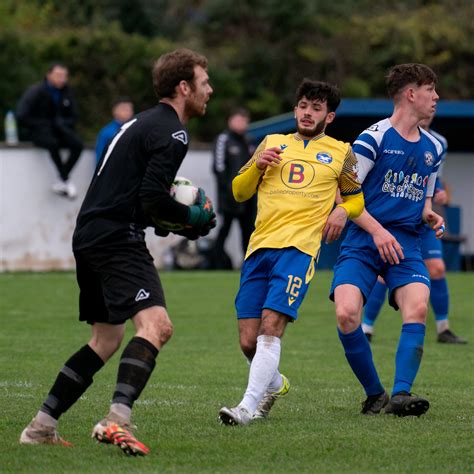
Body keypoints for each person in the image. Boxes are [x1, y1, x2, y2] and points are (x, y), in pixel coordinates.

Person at [19, 48, 215, 456]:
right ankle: (116, 419)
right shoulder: (174, 132)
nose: (209, 90)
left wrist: (171, 220)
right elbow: (151, 199)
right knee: (157, 326)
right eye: (204, 82)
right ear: (184, 87)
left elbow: (140, 199)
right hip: (115, 237)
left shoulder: (139, 122)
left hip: (89, 233)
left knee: (106, 338)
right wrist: (192, 217)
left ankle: (41, 427)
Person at [218, 79, 364, 426]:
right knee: (247, 342)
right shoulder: (271, 143)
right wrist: (257, 166)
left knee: (272, 326)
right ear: (295, 109)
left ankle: (246, 407)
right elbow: (238, 192)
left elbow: (356, 197)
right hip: (259, 247)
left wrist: (343, 211)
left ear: (328, 117)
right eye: (303, 106)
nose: (307, 113)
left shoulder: (342, 152)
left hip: (299, 251)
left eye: (316, 108)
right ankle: (276, 383)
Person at [330, 63, 445, 418]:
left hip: (406, 245)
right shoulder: (372, 139)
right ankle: (374, 393)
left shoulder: (433, 148)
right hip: (364, 241)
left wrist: (430, 215)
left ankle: (400, 394)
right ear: (411, 94)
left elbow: (424, 201)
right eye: (430, 90)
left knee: (418, 310)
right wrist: (378, 231)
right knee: (347, 314)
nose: (436, 97)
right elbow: (343, 196)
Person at [362, 117, 467, 345]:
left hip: (423, 215)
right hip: (398, 217)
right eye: (427, 96)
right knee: (383, 272)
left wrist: (441, 193)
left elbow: (432, 178)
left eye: (433, 100)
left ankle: (443, 328)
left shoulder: (439, 142)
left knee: (437, 269)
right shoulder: (387, 135)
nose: (431, 106)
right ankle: (366, 327)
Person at [16, 63, 84, 199]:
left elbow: (74, 116)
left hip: (59, 130)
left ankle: (61, 180)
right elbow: (21, 116)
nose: (62, 79)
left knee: (78, 144)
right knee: (52, 143)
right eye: (59, 75)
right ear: (49, 75)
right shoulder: (36, 91)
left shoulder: (67, 92)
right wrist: (44, 124)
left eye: (65, 76)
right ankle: (65, 179)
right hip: (38, 131)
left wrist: (63, 123)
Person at [212, 108, 256, 267]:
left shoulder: (249, 141)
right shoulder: (223, 139)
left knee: (248, 231)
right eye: (237, 120)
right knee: (225, 230)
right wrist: (229, 191)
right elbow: (218, 168)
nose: (240, 123)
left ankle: (249, 264)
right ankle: (215, 263)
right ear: (230, 121)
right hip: (229, 198)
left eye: (243, 120)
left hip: (248, 198)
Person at [95, 97, 135, 165]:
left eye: (130, 109)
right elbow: (100, 156)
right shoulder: (106, 132)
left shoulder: (136, 130)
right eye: (124, 109)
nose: (128, 112)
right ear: (114, 111)